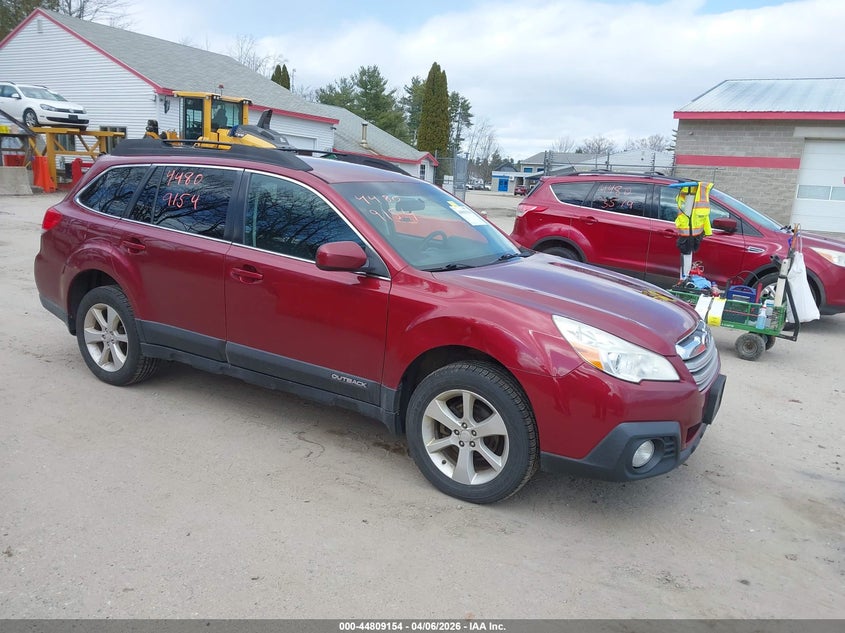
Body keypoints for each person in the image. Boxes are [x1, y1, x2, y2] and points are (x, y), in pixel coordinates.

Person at [673, 181, 713, 279]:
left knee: (686, 257)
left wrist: (708, 231)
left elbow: (704, 217)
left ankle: (684, 278)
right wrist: (708, 232)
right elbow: (704, 217)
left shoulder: (693, 198)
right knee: (686, 257)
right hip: (689, 235)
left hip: (690, 235)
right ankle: (684, 279)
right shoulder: (698, 197)